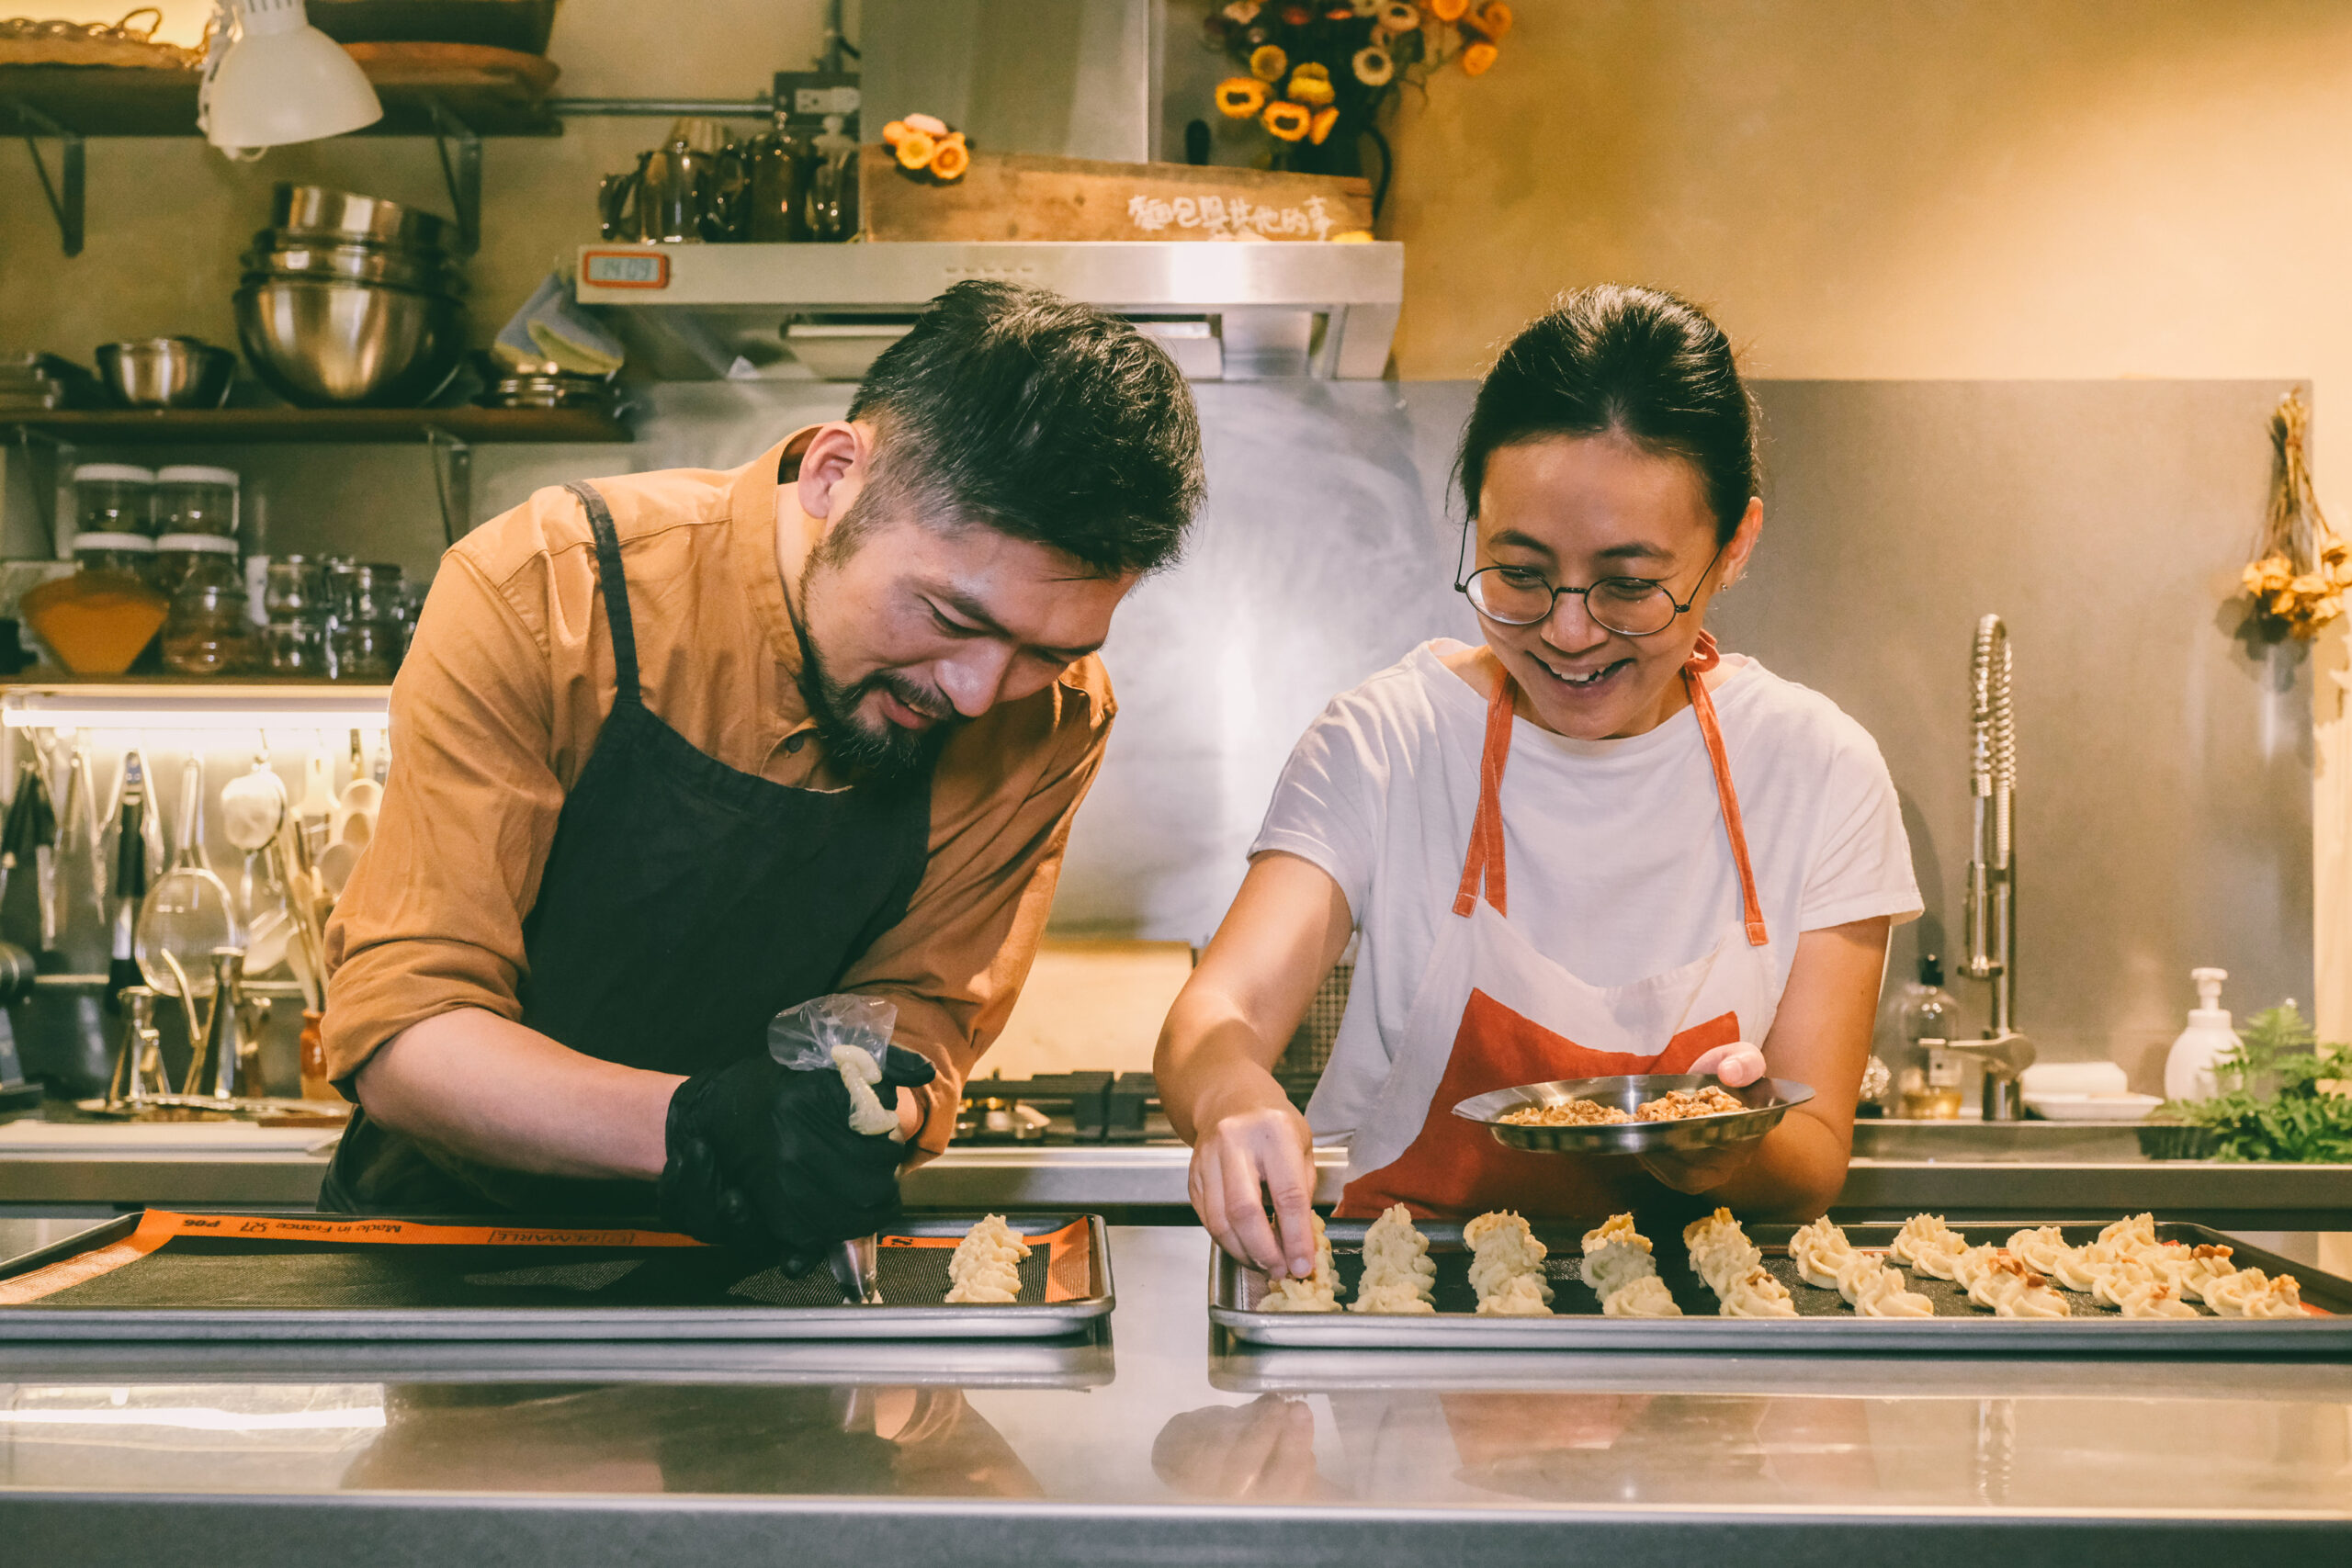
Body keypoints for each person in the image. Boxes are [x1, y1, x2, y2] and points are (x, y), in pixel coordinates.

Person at [318, 281, 1204, 1264]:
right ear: (835, 475)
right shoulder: (545, 588)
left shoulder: (1055, 716)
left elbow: (924, 1011)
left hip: (765, 1268)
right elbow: (409, 1035)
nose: (977, 692)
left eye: (1044, 649)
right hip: (447, 1253)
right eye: (952, 619)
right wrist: (694, 1128)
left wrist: (877, 1109)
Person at [1156, 285, 1920, 1279]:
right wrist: (1230, 1094)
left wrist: (1714, 1149)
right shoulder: (1391, 741)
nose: (1567, 632)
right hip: (1409, 1326)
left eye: (1630, 583)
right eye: (1518, 572)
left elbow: (1813, 1158)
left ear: (1733, 546)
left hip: (1692, 1357)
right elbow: (1216, 1016)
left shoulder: (1818, 769)